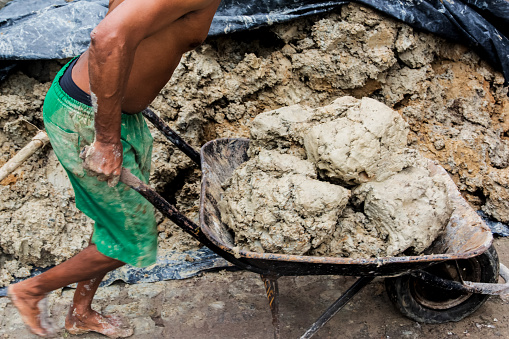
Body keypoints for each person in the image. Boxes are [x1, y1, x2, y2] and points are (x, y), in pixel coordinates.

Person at [7, 0, 222, 337]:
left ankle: (79, 313)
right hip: (91, 120)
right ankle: (31, 290)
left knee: (114, 224)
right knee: (131, 240)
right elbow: (108, 35)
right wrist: (106, 139)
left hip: (113, 112)